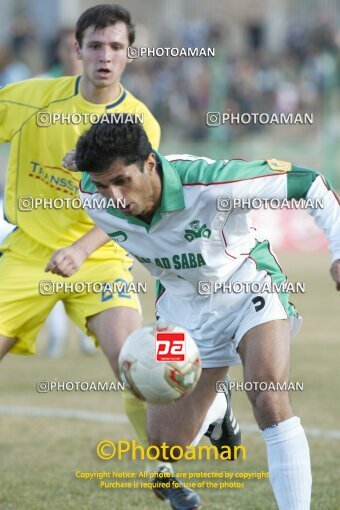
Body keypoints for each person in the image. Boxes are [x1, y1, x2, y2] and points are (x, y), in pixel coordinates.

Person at [0, 5, 240, 509]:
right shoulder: (27, 100)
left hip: (103, 255)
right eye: (95, 46)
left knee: (139, 365)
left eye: (115, 47)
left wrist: (81, 248)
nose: (104, 57)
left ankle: (170, 466)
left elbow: (134, 207)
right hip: (25, 255)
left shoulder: (140, 123)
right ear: (77, 49)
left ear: (129, 54)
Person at [69, 115, 339, 510]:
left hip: (248, 286)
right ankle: (217, 407)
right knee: (165, 452)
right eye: (102, 185)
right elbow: (88, 173)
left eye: (122, 181)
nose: (115, 199)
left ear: (150, 163)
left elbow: (309, 184)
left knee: (267, 393)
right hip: (180, 307)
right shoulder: (94, 195)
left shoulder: (214, 184)